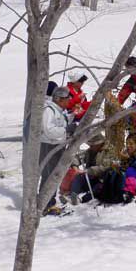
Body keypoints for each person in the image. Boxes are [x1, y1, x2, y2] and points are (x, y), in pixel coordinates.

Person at [40, 86, 77, 215]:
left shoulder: (59, 110)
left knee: (54, 176)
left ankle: (50, 202)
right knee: (48, 176)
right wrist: (66, 130)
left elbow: (60, 123)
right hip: (48, 147)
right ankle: (44, 205)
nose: (69, 101)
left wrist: (73, 118)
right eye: (67, 98)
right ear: (59, 99)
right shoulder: (49, 110)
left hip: (57, 146)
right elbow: (48, 130)